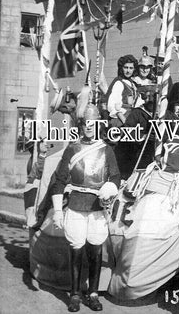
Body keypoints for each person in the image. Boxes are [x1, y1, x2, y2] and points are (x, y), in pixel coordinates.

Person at [51, 104, 120, 312]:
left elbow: (115, 175)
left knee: (95, 250)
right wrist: (56, 210)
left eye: (92, 123)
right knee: (77, 248)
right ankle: (74, 294)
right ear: (81, 125)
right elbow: (59, 180)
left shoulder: (106, 149)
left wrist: (111, 186)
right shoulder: (72, 149)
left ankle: (93, 293)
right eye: (85, 123)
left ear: (97, 124)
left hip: (97, 206)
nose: (89, 127)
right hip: (75, 205)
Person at [115, 87, 157, 179]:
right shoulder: (137, 113)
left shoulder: (162, 113)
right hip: (141, 149)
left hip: (157, 149)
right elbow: (128, 130)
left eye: (154, 101)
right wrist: (143, 136)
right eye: (149, 100)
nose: (152, 104)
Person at [106, 54, 138, 128]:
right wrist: (125, 121)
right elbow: (112, 105)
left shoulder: (132, 84)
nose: (128, 71)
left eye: (131, 68)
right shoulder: (119, 83)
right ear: (121, 68)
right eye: (126, 68)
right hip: (121, 120)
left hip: (131, 117)